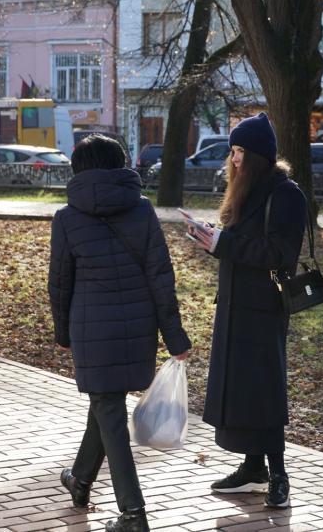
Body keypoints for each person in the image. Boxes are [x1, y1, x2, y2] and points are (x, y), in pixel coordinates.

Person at [49, 134, 191, 532]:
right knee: (106, 403)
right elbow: (161, 276)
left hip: (91, 330)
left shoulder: (66, 217)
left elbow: (59, 283)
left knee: (108, 409)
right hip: (137, 327)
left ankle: (133, 514)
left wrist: (63, 333)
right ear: (120, 164)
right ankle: (79, 480)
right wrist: (175, 337)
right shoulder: (142, 211)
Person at [183, 113, 306, 508]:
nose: (232, 159)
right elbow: (239, 244)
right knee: (243, 392)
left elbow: (279, 254)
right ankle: (253, 469)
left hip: (264, 308)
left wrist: (222, 244)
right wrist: (210, 235)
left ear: (257, 155)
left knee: (265, 392)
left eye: (239, 152)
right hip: (235, 307)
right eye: (232, 151)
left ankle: (279, 475)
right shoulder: (246, 190)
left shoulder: (286, 195)